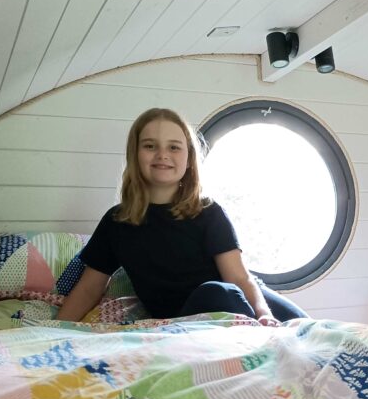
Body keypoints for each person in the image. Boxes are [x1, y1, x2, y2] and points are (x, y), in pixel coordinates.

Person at [56, 107, 308, 325]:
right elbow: (89, 288)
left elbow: (238, 277)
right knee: (217, 294)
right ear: (135, 155)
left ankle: (264, 334)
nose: (162, 154)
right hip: (191, 314)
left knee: (307, 328)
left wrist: (264, 313)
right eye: (150, 146)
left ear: (188, 159)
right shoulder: (117, 221)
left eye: (174, 147)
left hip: (239, 294)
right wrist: (50, 329)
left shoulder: (208, 212)